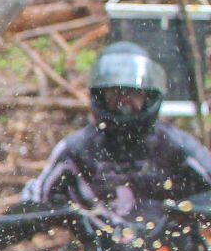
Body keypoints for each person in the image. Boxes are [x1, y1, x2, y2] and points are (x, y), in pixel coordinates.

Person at [18, 40, 211, 215]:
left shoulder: (176, 146)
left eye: (133, 94)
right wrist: (42, 216)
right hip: (97, 241)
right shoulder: (76, 149)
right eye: (115, 94)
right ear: (100, 97)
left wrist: (189, 211)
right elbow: (35, 200)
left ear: (149, 97)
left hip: (169, 241)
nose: (124, 102)